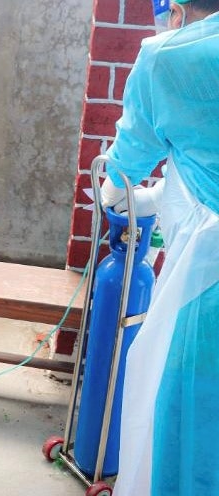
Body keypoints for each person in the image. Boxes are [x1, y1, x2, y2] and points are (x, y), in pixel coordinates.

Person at [99, 1, 219, 494]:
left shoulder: (170, 59)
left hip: (207, 282)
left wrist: (115, 193)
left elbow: (124, 172)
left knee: (190, 429)